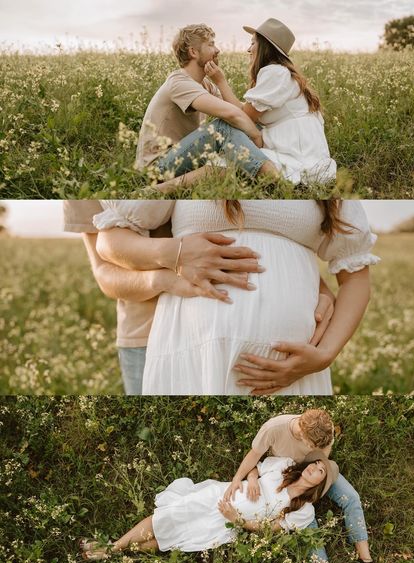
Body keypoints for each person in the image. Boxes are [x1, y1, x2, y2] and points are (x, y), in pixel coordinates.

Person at [94, 199, 379, 395]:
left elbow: (356, 275)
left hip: (295, 367)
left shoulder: (311, 159)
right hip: (194, 349)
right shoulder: (193, 151)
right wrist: (178, 252)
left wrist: (324, 355)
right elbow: (109, 243)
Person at [81, 453, 342, 563]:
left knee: (171, 540)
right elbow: (254, 467)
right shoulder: (285, 465)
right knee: (167, 517)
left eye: (320, 470)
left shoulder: (304, 510)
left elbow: (269, 530)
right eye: (316, 463)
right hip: (221, 495)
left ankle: (112, 552)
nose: (314, 468)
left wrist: (236, 519)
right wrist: (251, 480)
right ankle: (112, 549)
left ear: (321, 483)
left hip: (228, 522)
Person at [224, 409, 385, 563]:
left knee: (352, 498)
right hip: (288, 474)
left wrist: (316, 485)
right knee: (308, 521)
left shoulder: (324, 429)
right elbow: (254, 455)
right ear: (301, 431)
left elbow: (323, 457)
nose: (313, 449)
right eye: (311, 445)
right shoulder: (274, 428)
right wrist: (238, 478)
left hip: (317, 475)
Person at [135, 23, 279, 193]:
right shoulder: (178, 82)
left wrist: (221, 82)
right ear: (193, 52)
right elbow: (230, 115)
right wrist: (256, 136)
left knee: (224, 167)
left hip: (181, 157)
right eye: (211, 44)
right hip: (157, 165)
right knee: (222, 127)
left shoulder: (206, 85)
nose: (217, 50)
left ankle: (156, 191)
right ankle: (274, 179)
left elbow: (241, 113)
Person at [203, 17, 337, 185]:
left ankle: (165, 186)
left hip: (298, 159)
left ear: (265, 47)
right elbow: (243, 111)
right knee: (227, 158)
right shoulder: (280, 72)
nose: (248, 49)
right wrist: (217, 89)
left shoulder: (275, 73)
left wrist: (221, 81)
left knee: (225, 161)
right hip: (300, 153)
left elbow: (244, 116)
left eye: (253, 43)